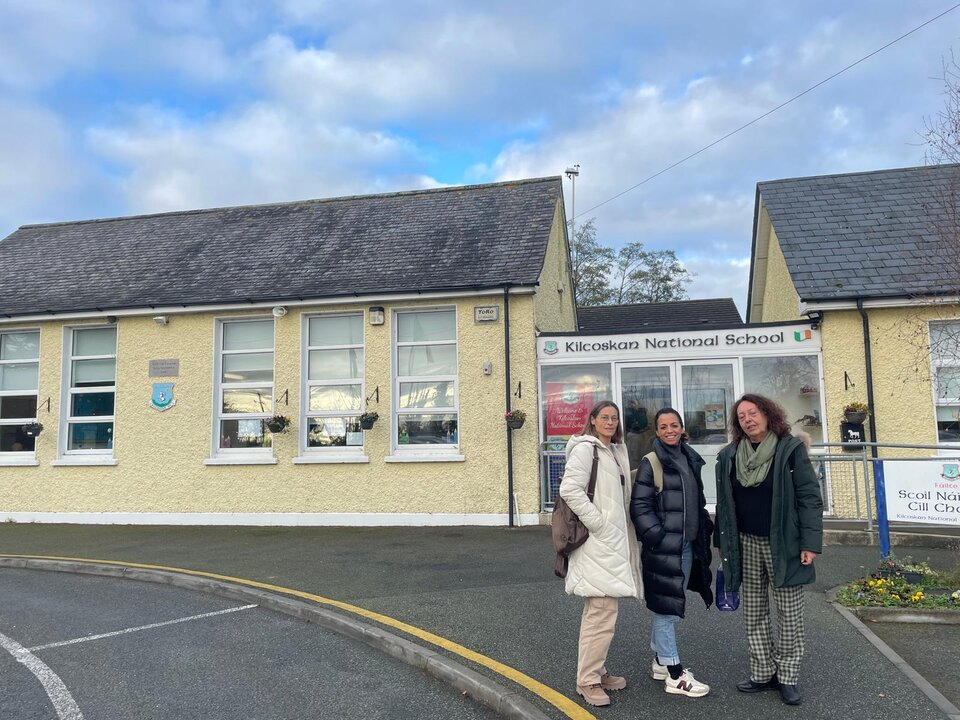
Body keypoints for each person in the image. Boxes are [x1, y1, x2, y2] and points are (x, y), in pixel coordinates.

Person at [714, 393, 823, 707]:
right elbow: (725, 503)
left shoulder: (789, 451)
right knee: (754, 612)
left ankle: (787, 676)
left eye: (753, 412)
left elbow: (809, 499)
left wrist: (809, 543)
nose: (748, 419)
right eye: (742, 416)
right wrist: (724, 546)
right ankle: (762, 673)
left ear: (767, 414)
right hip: (746, 542)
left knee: (789, 613)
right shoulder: (731, 455)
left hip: (784, 544)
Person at [559, 400, 642, 707]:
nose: (610, 422)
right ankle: (588, 681)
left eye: (614, 418)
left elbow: (618, 489)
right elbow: (570, 489)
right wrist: (599, 523)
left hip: (611, 545)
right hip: (597, 544)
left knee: (602, 614)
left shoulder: (614, 451)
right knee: (600, 615)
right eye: (604, 417)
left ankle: (597, 669)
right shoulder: (586, 449)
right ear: (592, 420)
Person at [629, 408, 714, 698]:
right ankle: (675, 674)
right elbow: (640, 508)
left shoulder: (689, 458)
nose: (669, 430)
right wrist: (657, 537)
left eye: (674, 425)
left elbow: (694, 500)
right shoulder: (651, 462)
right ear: (656, 431)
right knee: (667, 610)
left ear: (681, 428)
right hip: (665, 548)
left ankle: (659, 663)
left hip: (688, 545)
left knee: (671, 604)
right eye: (663, 426)